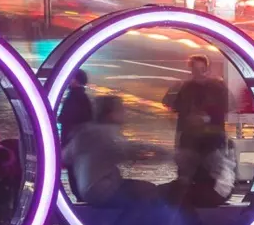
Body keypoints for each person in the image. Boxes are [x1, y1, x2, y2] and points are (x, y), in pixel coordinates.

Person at [61, 95, 150, 206]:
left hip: (86, 191)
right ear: (110, 114)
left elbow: (64, 157)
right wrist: (162, 154)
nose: (124, 113)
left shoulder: (84, 133)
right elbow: (129, 149)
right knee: (148, 190)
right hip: (105, 190)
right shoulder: (108, 133)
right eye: (121, 110)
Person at [163, 54, 230, 184]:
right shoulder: (185, 87)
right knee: (189, 173)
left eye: (202, 69)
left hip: (210, 138)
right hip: (191, 137)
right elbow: (172, 103)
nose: (199, 73)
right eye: (196, 69)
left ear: (207, 69)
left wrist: (205, 118)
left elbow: (223, 107)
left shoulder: (216, 86)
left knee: (208, 172)